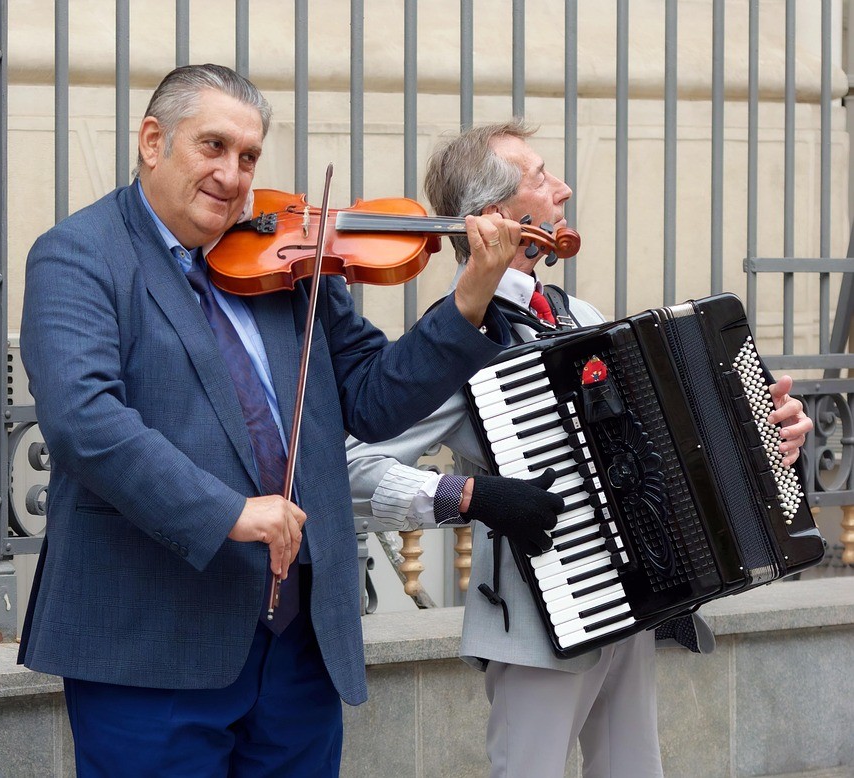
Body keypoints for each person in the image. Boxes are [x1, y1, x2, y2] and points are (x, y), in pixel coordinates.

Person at [16, 64, 534, 777]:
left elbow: (375, 401)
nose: (233, 176)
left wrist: (469, 300)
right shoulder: (79, 255)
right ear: (151, 140)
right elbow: (86, 421)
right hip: (152, 644)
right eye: (213, 147)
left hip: (297, 642)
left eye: (250, 156)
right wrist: (228, 511)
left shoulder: (289, 266)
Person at [345, 119, 814, 778]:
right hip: (534, 620)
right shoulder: (452, 341)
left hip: (636, 604)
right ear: (497, 216)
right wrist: (467, 497)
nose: (562, 189)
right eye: (541, 176)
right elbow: (350, 465)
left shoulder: (580, 315)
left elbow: (666, 451)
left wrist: (764, 435)